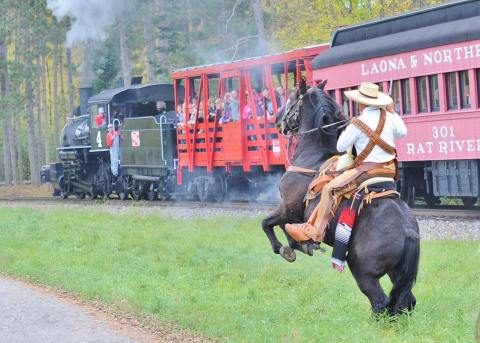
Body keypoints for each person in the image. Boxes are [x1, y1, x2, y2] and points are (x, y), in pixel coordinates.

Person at [285, 82, 407, 271]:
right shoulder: (389, 118)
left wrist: (352, 129)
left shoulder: (358, 123)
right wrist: (391, 111)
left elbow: (341, 147)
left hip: (366, 173)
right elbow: (403, 132)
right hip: (389, 172)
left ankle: (315, 232)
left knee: (328, 188)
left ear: (361, 103)